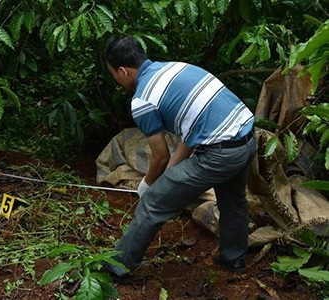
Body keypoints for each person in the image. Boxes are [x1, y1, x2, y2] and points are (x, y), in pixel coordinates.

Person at [102, 35, 257, 281]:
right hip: (247, 139)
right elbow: (189, 132)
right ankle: (233, 259)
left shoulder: (143, 99)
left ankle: (117, 267)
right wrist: (169, 175)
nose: (116, 80)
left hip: (220, 153)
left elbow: (160, 155)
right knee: (233, 201)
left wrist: (149, 185)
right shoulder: (177, 68)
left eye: (113, 74)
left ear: (122, 71)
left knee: (152, 203)